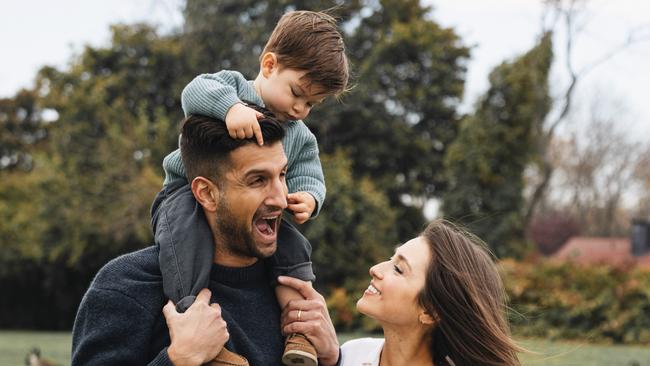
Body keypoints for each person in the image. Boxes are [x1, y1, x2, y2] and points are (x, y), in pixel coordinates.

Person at [155, 9, 349, 366]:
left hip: (256, 213)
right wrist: (229, 109)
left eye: (311, 104)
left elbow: (309, 172)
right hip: (182, 194)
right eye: (297, 94)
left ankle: (299, 330)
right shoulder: (233, 88)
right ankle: (202, 334)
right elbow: (194, 91)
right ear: (270, 65)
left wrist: (309, 197)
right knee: (185, 243)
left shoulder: (299, 136)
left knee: (294, 246)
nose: (301, 109)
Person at [71, 112, 340, 366]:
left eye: (282, 175)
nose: (281, 198)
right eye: (257, 180)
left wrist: (332, 358)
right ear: (207, 193)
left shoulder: (292, 297)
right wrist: (179, 359)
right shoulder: (128, 285)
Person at [281, 220, 523, 366]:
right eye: (390, 259)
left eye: (398, 269)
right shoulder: (353, 354)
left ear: (430, 311)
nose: (375, 269)